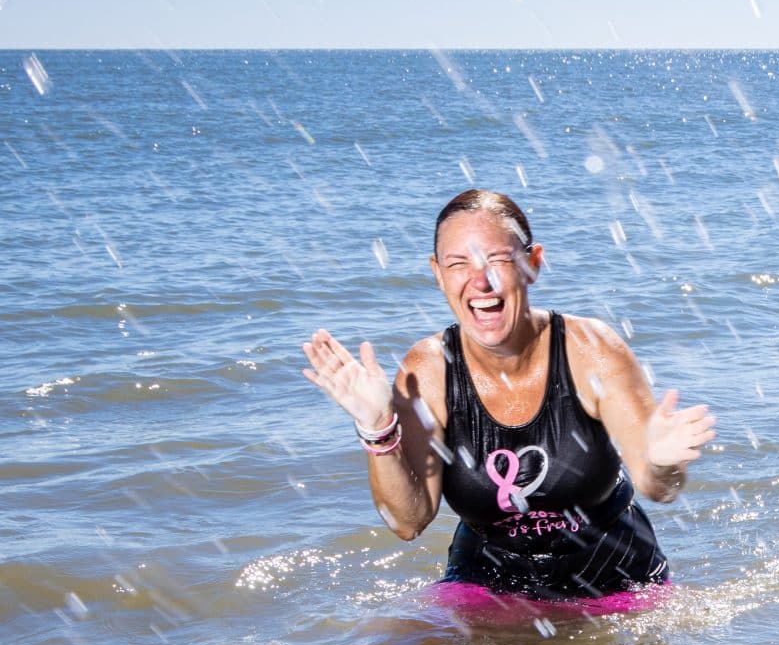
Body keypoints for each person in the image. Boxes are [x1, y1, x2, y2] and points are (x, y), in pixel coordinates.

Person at [300, 188, 715, 602]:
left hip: (615, 585)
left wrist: (663, 463)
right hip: (489, 586)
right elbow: (408, 522)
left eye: (497, 259)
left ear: (533, 264)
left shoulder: (591, 351)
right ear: (438, 273)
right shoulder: (429, 369)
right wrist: (377, 428)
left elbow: (659, 487)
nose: (481, 281)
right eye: (458, 264)